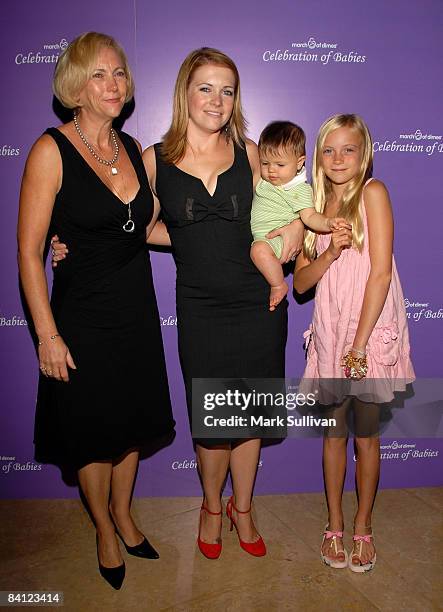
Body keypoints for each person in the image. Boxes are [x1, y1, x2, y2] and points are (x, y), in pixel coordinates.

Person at [53, 47, 305, 559]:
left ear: (236, 100)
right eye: (206, 87)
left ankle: (244, 509)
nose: (216, 99)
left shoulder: (253, 153)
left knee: (250, 417)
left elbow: (288, 203)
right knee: (214, 423)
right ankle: (212, 508)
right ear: (185, 93)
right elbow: (133, 225)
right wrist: (68, 243)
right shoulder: (153, 158)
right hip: (200, 304)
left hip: (257, 303)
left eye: (227, 90)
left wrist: (296, 229)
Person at [17, 32, 175, 590]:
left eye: (120, 73)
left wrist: (204, 238)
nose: (114, 84)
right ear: (74, 88)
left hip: (135, 309)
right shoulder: (50, 150)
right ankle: (105, 530)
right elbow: (30, 252)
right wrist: (47, 335)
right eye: (99, 75)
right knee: (92, 429)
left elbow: (142, 230)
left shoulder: (132, 150)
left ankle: (127, 515)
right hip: (81, 316)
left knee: (130, 423)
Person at [293, 114, 415, 572]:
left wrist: (360, 345)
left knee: (365, 435)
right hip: (330, 329)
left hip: (365, 330)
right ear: (319, 158)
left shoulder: (373, 193)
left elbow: (381, 272)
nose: (339, 159)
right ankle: (334, 525)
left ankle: (364, 526)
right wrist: (330, 250)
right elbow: (302, 284)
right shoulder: (312, 208)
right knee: (333, 434)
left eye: (348, 149)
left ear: (364, 154)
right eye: (329, 150)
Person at [251, 121, 347, 310]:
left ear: (299, 162)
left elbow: (310, 217)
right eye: (265, 163)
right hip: (262, 237)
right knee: (258, 250)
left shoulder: (299, 190)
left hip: (276, 240)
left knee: (258, 251)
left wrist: (328, 222)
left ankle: (278, 285)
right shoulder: (263, 181)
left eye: (280, 164)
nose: (271, 170)